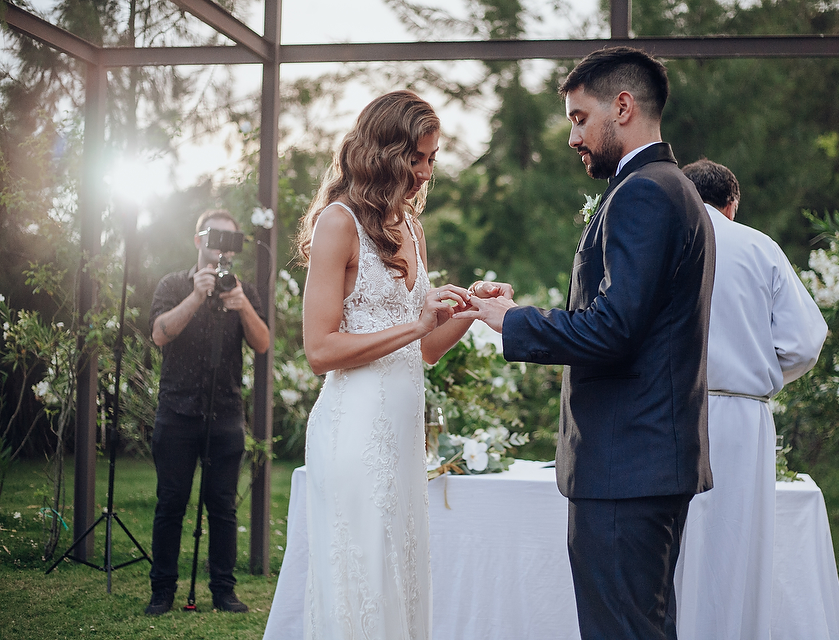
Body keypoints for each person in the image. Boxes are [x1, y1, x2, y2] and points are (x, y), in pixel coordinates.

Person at [455, 47, 715, 640]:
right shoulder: (666, 187)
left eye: (578, 117)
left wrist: (510, 320)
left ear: (622, 106)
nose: (572, 135)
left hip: (628, 466)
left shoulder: (645, 193)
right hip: (644, 462)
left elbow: (613, 330)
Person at [295, 90, 509, 640]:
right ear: (383, 152)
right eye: (415, 158)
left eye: (431, 159)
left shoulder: (410, 227)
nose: (424, 172)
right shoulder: (338, 224)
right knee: (361, 582)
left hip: (402, 435)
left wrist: (471, 310)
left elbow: (425, 351)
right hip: (353, 433)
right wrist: (416, 324)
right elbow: (319, 349)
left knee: (401, 582)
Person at [672, 159, 827, 640]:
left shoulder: (665, 242)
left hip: (671, 408)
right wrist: (758, 373)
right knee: (735, 544)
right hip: (742, 415)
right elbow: (805, 340)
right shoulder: (761, 247)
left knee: (676, 542)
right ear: (731, 205)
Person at [145, 209, 270, 615]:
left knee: (222, 506)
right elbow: (159, 334)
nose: (222, 248)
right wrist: (196, 296)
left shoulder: (242, 289)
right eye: (215, 238)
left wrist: (242, 307)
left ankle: (223, 590)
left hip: (226, 414)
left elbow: (263, 343)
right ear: (199, 241)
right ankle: (162, 590)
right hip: (177, 412)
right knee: (170, 504)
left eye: (230, 241)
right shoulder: (172, 284)